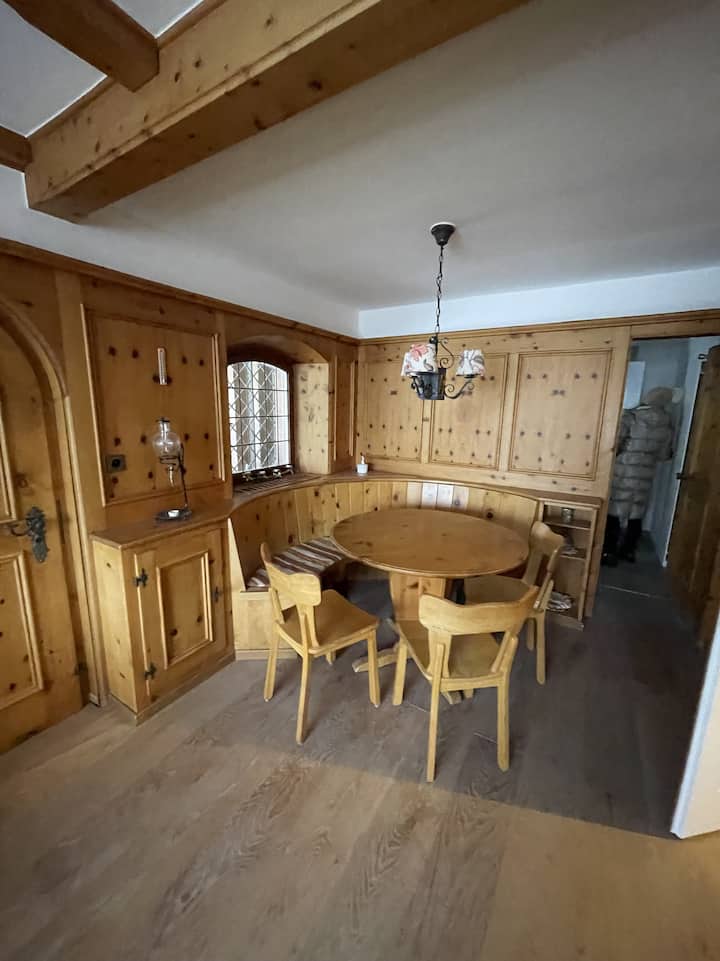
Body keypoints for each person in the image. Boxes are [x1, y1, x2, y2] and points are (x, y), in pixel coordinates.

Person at [602, 386, 675, 566]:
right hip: (645, 474)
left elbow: (615, 444)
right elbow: (664, 455)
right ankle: (628, 551)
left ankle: (608, 551)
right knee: (636, 513)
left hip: (624, 471)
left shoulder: (631, 417)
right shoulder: (667, 423)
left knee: (614, 512)